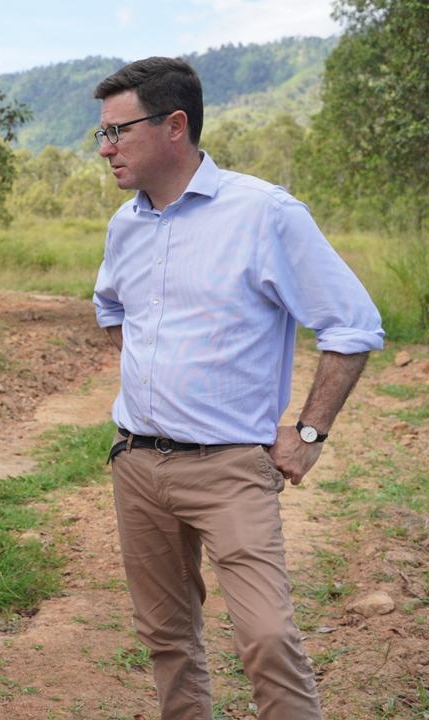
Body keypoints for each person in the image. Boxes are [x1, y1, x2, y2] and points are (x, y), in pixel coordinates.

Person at [91, 57, 384, 719]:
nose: (105, 149)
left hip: (229, 468)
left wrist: (308, 434)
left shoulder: (265, 214)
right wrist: (152, 380)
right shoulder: (125, 226)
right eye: (100, 135)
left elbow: (353, 325)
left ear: (174, 125)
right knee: (167, 638)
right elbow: (111, 310)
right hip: (137, 463)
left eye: (117, 131)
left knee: (268, 637)